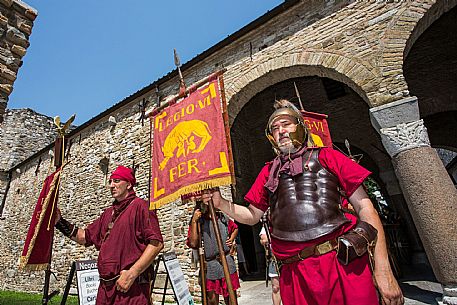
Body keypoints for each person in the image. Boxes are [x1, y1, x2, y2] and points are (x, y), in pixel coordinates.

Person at [201, 99, 404, 305]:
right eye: (275, 128)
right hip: (294, 272)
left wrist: (383, 270)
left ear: (300, 126)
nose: (280, 130)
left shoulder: (328, 156)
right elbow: (252, 215)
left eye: (286, 124)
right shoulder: (269, 171)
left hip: (340, 262)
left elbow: (365, 208)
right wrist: (222, 204)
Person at [55, 165, 164, 305]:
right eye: (111, 181)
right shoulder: (108, 213)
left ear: (129, 184)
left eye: (117, 181)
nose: (112, 185)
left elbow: (156, 244)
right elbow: (84, 237)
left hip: (131, 289)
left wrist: (132, 274)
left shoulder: (141, 207)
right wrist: (59, 222)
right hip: (105, 290)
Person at [187, 205, 240, 305]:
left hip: (227, 260)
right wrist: (194, 221)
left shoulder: (222, 217)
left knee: (232, 299)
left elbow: (235, 228)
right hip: (211, 263)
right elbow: (193, 243)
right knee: (212, 301)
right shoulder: (199, 222)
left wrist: (231, 239)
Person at [259, 226, 281, 305]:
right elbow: (263, 240)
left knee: (292, 287)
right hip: (274, 259)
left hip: (290, 259)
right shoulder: (268, 223)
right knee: (275, 288)